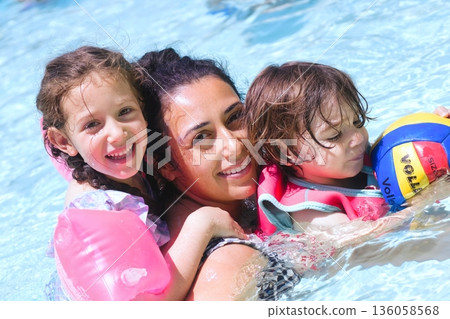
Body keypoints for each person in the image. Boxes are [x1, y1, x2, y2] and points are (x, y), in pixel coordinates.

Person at [37, 46, 247, 301]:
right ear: (63, 141)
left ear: (142, 110)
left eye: (125, 111)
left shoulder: (127, 158)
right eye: (93, 124)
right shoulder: (96, 210)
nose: (117, 133)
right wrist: (202, 224)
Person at [135, 48, 313, 300]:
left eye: (235, 117)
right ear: (165, 165)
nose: (234, 145)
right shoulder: (229, 260)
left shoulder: (252, 202)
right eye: (202, 138)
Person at [244, 61, 449, 237]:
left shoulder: (358, 156)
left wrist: (435, 133)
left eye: (357, 121)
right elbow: (364, 239)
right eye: (335, 135)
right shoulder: (309, 212)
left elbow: (405, 146)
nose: (358, 137)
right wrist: (422, 202)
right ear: (287, 152)